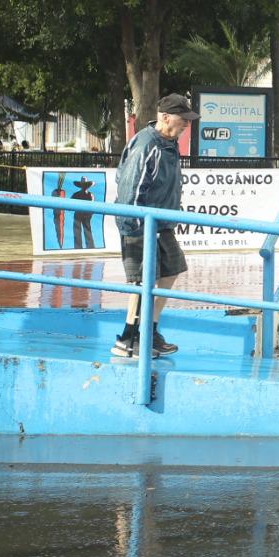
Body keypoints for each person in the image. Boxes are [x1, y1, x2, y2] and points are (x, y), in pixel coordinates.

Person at [111, 93, 199, 358]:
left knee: (171, 269)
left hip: (161, 223)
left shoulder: (168, 143)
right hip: (140, 225)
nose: (185, 125)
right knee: (142, 282)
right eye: (182, 119)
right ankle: (129, 337)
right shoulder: (147, 144)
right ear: (164, 117)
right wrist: (135, 228)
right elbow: (130, 187)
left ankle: (149, 330)